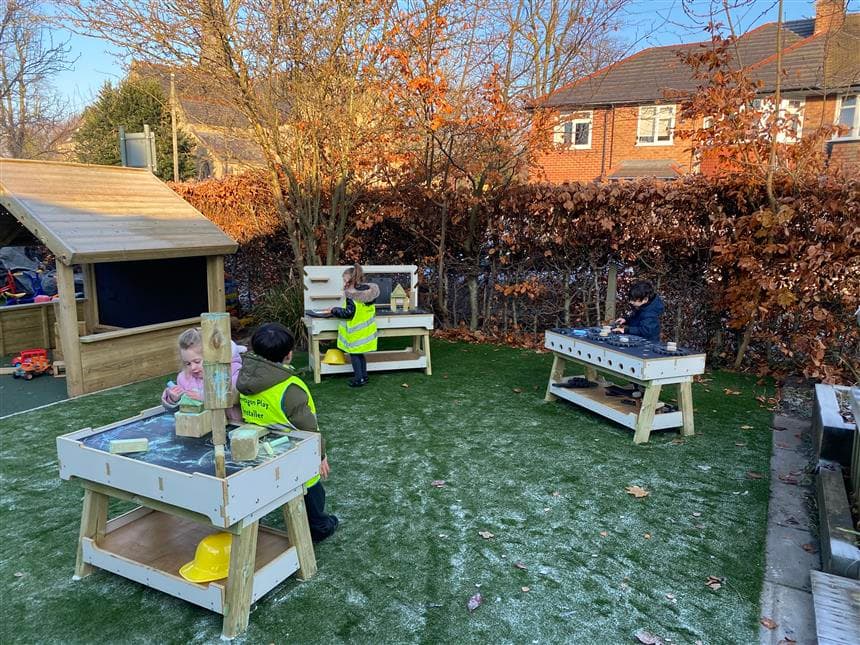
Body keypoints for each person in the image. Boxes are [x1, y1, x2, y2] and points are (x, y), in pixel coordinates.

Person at [236, 322, 339, 543]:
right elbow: (308, 427)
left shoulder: (243, 378)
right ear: (289, 355)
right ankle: (320, 527)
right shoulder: (290, 386)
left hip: (259, 449)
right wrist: (320, 454)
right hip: (291, 451)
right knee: (312, 490)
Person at [162, 328, 246, 421]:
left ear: (214, 356)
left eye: (197, 362)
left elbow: (233, 395)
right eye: (188, 363)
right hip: (199, 428)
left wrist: (205, 397)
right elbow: (177, 411)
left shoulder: (232, 371)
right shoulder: (185, 378)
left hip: (232, 426)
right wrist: (174, 399)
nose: (193, 367)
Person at [325, 263, 379, 387]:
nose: (343, 283)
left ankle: (358, 379)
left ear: (350, 280)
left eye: (344, 280)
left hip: (355, 333)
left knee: (355, 356)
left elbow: (348, 313)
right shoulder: (368, 294)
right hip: (366, 332)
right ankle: (364, 377)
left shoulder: (352, 296)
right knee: (360, 355)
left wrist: (334, 310)